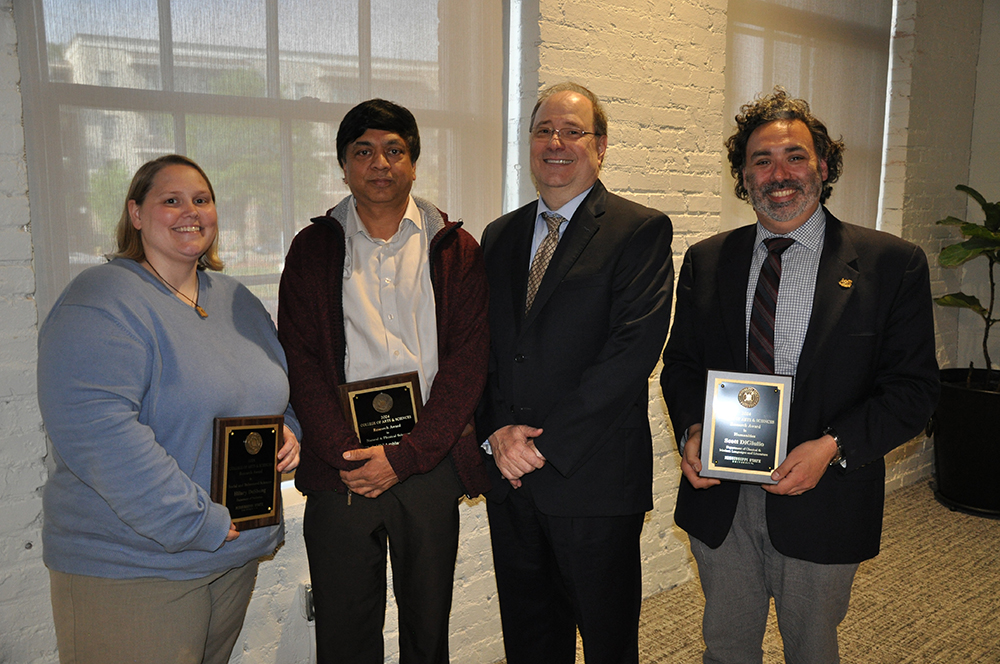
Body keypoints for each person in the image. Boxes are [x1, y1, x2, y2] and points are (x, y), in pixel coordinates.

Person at [660, 88, 940, 663]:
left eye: (794, 156)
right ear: (743, 175)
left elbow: (914, 392)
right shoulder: (708, 260)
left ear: (824, 165)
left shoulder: (891, 264)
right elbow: (682, 364)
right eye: (761, 160)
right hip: (723, 499)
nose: (778, 173)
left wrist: (832, 448)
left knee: (811, 649)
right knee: (726, 645)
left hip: (826, 495)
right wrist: (693, 430)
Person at [37, 154, 301, 664]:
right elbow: (100, 434)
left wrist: (289, 432)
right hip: (134, 567)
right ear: (136, 214)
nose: (191, 212)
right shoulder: (101, 299)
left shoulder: (235, 297)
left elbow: (272, 389)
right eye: (171, 200)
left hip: (231, 555)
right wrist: (194, 520)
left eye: (201, 200)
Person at [277, 98, 490, 664]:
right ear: (343, 165)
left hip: (428, 461)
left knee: (428, 630)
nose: (380, 163)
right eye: (364, 151)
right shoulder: (312, 249)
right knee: (345, 636)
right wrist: (350, 454)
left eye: (395, 150)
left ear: (414, 164)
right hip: (340, 467)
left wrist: (408, 455)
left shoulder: (455, 248)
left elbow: (469, 362)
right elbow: (299, 361)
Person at [475, 82, 674, 664]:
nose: (555, 142)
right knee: (531, 640)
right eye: (543, 131)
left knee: (607, 640)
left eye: (572, 130)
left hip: (592, 480)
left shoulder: (639, 230)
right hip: (510, 479)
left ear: (601, 145)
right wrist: (496, 433)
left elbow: (632, 353)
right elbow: (481, 348)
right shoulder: (500, 235)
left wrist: (544, 446)